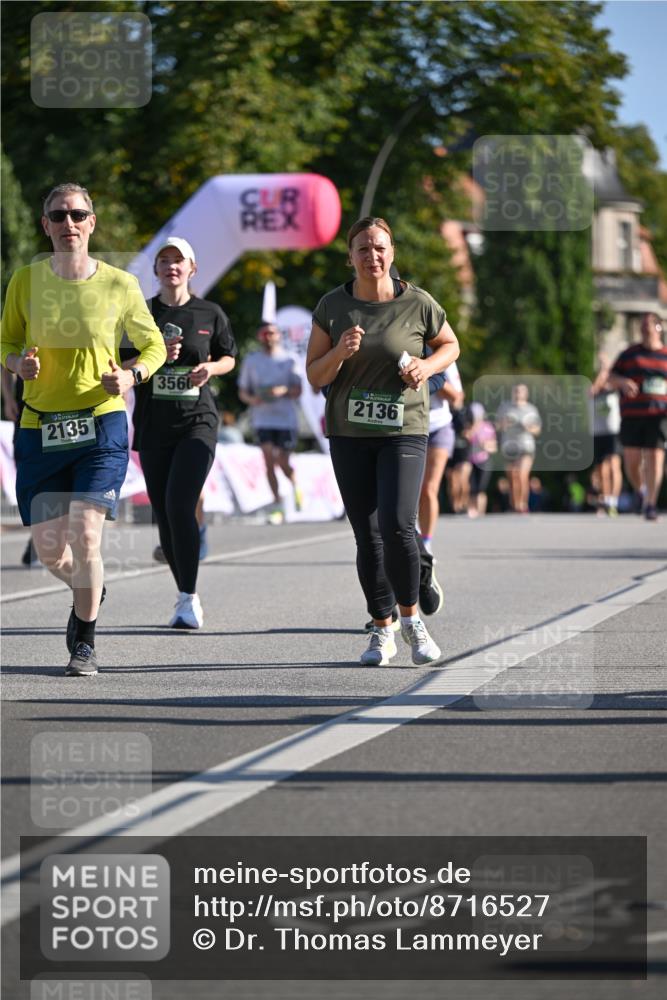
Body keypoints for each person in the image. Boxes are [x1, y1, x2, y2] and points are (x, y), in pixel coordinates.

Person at [0, 182, 166, 675]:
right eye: (58, 215)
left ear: (91, 222)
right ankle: (88, 590)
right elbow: (5, 341)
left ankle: (85, 640)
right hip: (40, 428)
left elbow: (153, 345)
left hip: (101, 423)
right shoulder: (25, 281)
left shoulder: (120, 284)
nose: (68, 223)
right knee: (51, 550)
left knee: (86, 536)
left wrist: (132, 376)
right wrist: (17, 364)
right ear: (45, 225)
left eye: (77, 214)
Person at [306, 216, 459, 666]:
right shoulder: (333, 306)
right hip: (349, 433)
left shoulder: (418, 302)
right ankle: (381, 626)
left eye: (379, 248)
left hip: (404, 429)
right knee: (367, 536)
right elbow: (315, 374)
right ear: (350, 257)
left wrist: (426, 368)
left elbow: (450, 346)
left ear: (391, 253)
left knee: (397, 525)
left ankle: (412, 620)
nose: (371, 256)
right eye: (363, 249)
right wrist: (339, 352)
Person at [125, 237, 237, 628]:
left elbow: (228, 356)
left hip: (197, 422)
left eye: (179, 260)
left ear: (192, 268)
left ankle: (188, 598)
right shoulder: (141, 312)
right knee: (164, 516)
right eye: (164, 260)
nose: (172, 266)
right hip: (154, 425)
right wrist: (153, 358)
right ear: (156, 269)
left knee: (178, 505)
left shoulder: (210, 312)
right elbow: (121, 363)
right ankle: (184, 592)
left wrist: (211, 369)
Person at [238, 323, 303, 521]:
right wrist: (253, 399)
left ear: (279, 336)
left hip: (285, 420)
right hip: (262, 419)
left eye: (272, 333)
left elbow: (298, 390)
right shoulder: (252, 360)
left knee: (282, 460)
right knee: (268, 460)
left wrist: (283, 390)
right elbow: (243, 391)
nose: (268, 336)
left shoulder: (290, 359)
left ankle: (295, 485)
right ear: (260, 336)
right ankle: (277, 504)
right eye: (265, 333)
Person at [608, 313, 667, 521]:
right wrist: (622, 382)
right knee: (631, 461)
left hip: (659, 415)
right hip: (633, 414)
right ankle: (641, 490)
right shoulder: (629, 354)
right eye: (642, 327)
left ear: (659, 328)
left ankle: (651, 504)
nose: (644, 330)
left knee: (655, 458)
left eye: (648, 326)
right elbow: (611, 376)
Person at [496, 383, 542, 513]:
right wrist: (503, 424)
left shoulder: (531, 409)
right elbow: (497, 426)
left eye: (520, 391)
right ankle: (514, 504)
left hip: (526, 446)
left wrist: (528, 427)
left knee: (522, 475)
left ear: (526, 394)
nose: (518, 394)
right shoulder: (505, 407)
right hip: (509, 446)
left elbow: (537, 430)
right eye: (516, 391)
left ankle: (523, 504)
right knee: (512, 476)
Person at [589, 351, 622, 517]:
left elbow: (613, 383)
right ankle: (606, 498)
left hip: (613, 430)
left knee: (614, 465)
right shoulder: (595, 388)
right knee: (601, 468)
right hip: (598, 431)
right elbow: (593, 390)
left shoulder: (614, 386)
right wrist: (603, 370)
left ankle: (614, 501)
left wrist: (607, 367)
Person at [465, 402, 497, 518]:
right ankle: (471, 510)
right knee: (471, 487)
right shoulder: (469, 427)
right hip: (470, 461)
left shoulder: (488, 427)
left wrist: (485, 445)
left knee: (481, 488)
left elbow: (494, 447)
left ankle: (480, 511)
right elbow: (466, 438)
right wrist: (472, 429)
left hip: (484, 461)